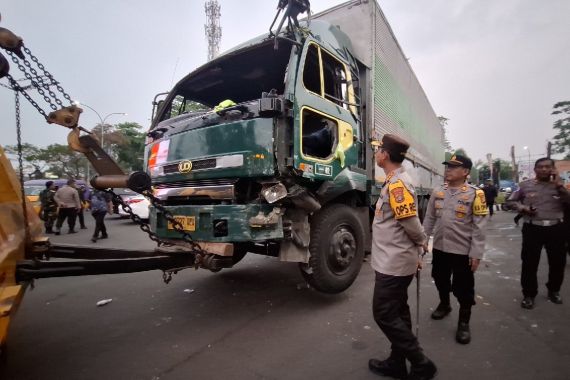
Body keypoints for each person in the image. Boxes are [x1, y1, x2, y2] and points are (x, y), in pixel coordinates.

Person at [368, 134, 437, 380]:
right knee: (398, 311)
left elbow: (410, 222)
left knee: (384, 313)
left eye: (378, 150)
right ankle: (397, 362)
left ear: (385, 155)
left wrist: (421, 243)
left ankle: (420, 362)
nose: (375, 153)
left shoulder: (397, 184)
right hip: (392, 259)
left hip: (394, 263)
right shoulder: (394, 181)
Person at [422, 154, 488, 345]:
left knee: (464, 288)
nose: (448, 170)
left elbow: (479, 227)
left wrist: (476, 253)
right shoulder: (438, 191)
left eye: (453, 167)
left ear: (465, 172)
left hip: (463, 251)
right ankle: (445, 304)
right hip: (441, 248)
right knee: (440, 278)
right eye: (447, 166)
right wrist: (424, 239)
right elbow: (429, 218)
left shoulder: (476, 194)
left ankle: (464, 322)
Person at [507, 158, 570, 309]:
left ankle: (553, 290)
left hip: (556, 229)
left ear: (553, 169)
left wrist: (560, 186)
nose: (544, 169)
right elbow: (509, 202)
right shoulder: (524, 186)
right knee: (529, 263)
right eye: (540, 167)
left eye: (547, 167)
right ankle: (529, 294)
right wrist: (523, 208)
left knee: (557, 262)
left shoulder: (561, 186)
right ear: (535, 170)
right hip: (532, 228)